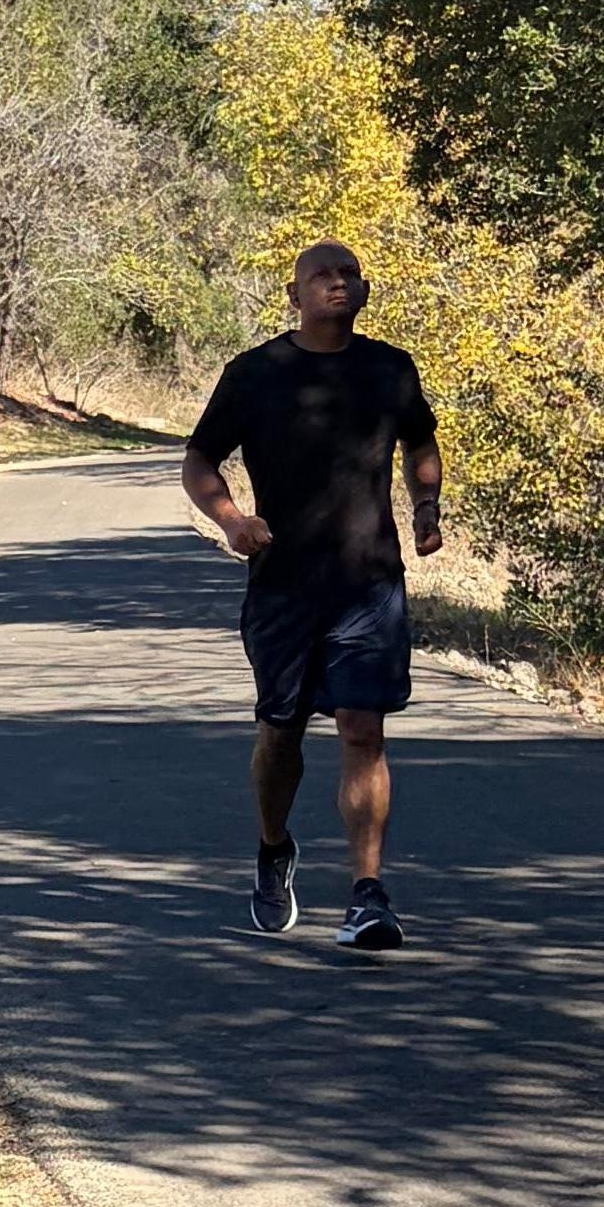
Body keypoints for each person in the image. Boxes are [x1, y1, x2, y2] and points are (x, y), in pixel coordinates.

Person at [180, 241, 445, 948]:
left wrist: (427, 507)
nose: (338, 283)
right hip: (283, 588)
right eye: (321, 275)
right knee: (282, 733)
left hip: (368, 583)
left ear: (364, 291)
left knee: (363, 728)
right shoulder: (257, 373)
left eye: (349, 274)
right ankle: (274, 847)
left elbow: (421, 442)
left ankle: (368, 895)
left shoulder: (390, 369)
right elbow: (200, 456)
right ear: (293, 294)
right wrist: (233, 520)